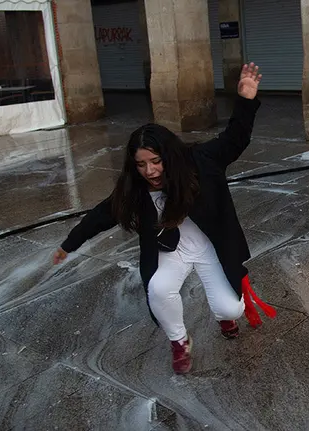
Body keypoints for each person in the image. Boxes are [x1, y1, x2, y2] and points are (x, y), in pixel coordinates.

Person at [52, 63, 276, 374]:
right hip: (171, 250)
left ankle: (226, 316)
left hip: (210, 246)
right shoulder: (136, 187)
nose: (150, 171)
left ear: (168, 155)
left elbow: (235, 138)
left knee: (229, 307)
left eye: (156, 161)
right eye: (141, 164)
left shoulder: (200, 161)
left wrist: (246, 100)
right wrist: (69, 243)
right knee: (157, 289)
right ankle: (179, 341)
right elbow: (103, 214)